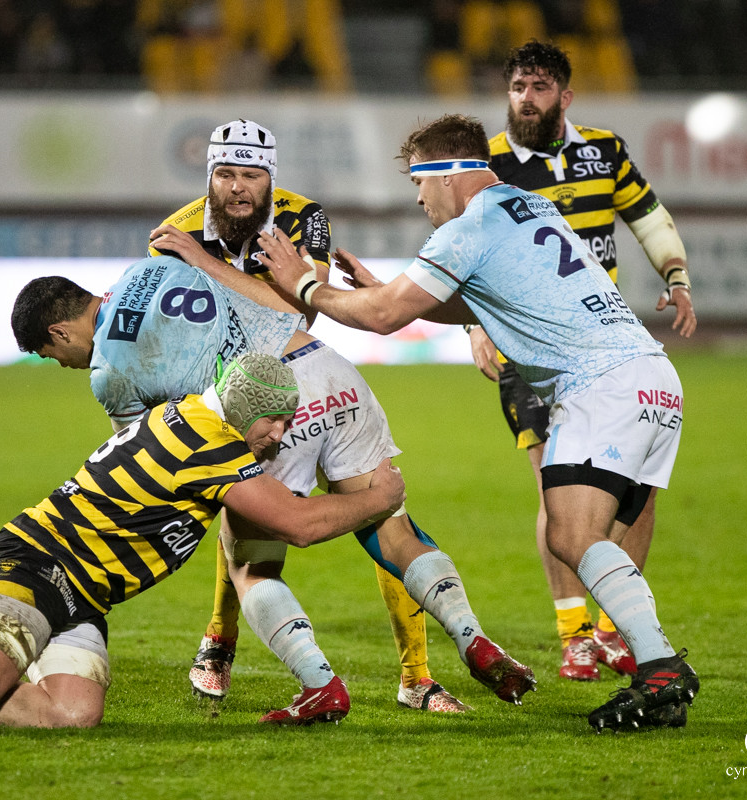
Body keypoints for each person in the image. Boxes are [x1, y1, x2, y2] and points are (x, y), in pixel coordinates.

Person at [257, 114, 699, 732]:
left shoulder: (471, 225)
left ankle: (659, 668)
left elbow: (384, 318)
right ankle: (658, 674)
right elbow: (482, 297)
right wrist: (395, 291)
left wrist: (305, 285)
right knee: (593, 539)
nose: (418, 198)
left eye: (419, 182)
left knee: (570, 537)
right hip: (655, 382)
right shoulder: (529, 206)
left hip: (603, 388)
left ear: (450, 174)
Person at [12, 256, 535, 716]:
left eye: (49, 353)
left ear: (60, 331)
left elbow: (161, 449)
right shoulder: (149, 270)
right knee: (393, 533)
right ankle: (475, 639)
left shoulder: (108, 373)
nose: (60, 363)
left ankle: (319, 684)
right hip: (326, 368)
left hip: (259, 407)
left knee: (250, 566)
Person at [0, 353, 406, 730]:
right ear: (251, 412)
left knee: (70, 715)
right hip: (41, 560)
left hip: (83, 592)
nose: (281, 436)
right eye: (278, 421)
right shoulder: (211, 447)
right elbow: (296, 525)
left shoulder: (192, 416)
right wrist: (378, 499)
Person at [147, 119, 466, 713]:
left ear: (271, 178)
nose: (238, 188)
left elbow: (298, 315)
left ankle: (416, 676)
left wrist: (207, 265)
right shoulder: (175, 232)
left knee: (381, 511)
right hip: (234, 389)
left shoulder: (303, 217)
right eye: (225, 174)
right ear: (209, 175)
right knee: (246, 516)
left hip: (313, 375)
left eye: (251, 175)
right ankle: (220, 642)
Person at [474, 39, 697, 683]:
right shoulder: (488, 164)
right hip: (533, 351)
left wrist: (676, 276)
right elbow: (463, 249)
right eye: (518, 85)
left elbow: (647, 216)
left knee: (639, 491)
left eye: (541, 86)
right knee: (555, 479)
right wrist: (476, 329)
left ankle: (614, 631)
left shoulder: (604, 150)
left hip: (610, 347)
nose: (527, 97)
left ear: (564, 97)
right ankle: (574, 631)